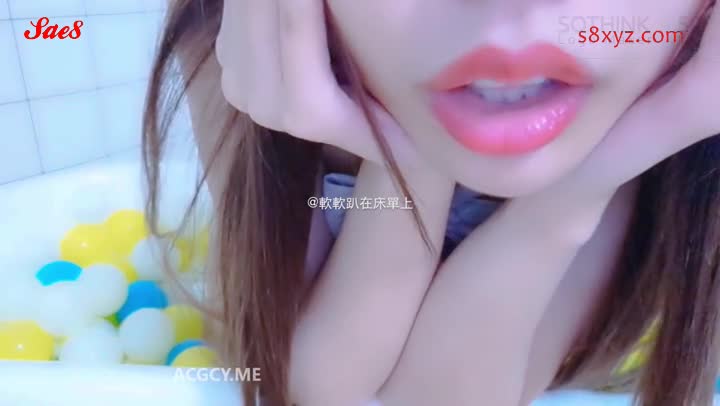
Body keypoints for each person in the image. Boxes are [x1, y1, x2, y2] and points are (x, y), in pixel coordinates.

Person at [142, 0, 720, 405]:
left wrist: (609, 167)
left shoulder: (656, 96)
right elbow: (315, 387)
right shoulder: (234, 47)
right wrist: (409, 165)